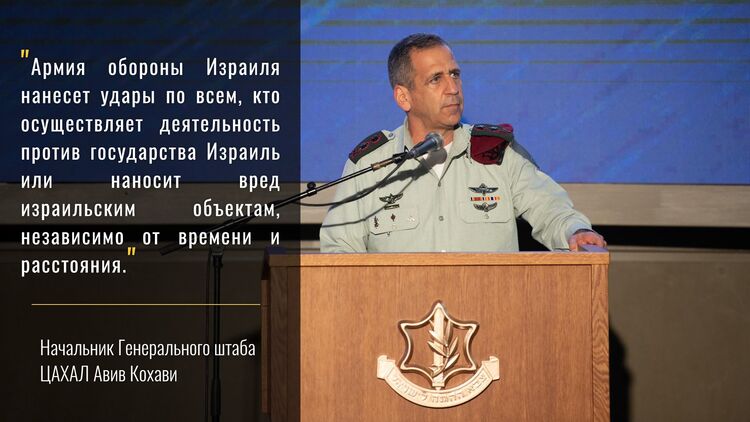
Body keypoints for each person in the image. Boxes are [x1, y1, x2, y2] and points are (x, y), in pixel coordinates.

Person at [319, 33, 606, 253]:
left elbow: (551, 210)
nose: (453, 88)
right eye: (436, 79)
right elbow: (339, 251)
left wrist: (575, 231)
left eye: (455, 74)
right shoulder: (371, 165)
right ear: (404, 97)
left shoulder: (495, 153)